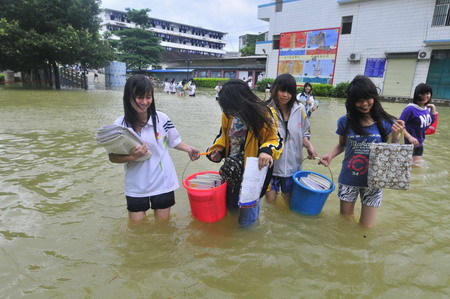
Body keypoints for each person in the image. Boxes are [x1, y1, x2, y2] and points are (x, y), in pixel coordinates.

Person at [108, 75, 200, 221]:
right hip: (136, 185)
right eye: (139, 97)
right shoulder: (119, 126)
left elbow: (173, 141)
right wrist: (133, 157)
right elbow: (112, 157)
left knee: (163, 228)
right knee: (137, 230)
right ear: (128, 97)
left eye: (148, 97)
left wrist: (189, 149)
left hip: (162, 182)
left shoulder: (162, 119)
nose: (144, 102)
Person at [319, 75, 404, 228]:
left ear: (374, 97)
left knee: (366, 227)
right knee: (344, 223)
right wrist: (330, 155)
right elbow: (342, 145)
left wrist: (396, 137)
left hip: (374, 181)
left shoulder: (385, 122)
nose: (364, 104)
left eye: (367, 98)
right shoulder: (345, 121)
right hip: (349, 179)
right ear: (351, 102)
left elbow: (392, 156)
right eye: (359, 100)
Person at [207, 79, 283, 227]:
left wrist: (266, 151)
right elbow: (222, 136)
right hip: (232, 171)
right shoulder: (228, 114)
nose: (229, 111)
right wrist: (217, 151)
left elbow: (276, 140)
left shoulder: (265, 113)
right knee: (230, 211)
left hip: (254, 173)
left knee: (247, 221)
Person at [265, 74, 317, 204]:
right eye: (282, 90)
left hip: (293, 166)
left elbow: (304, 132)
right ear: (275, 89)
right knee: (270, 204)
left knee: (289, 203)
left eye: (289, 92)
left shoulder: (300, 109)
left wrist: (309, 145)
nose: (285, 95)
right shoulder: (266, 110)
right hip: (270, 166)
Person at [399, 83, 437, 165]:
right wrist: (410, 137)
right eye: (422, 94)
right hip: (408, 144)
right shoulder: (410, 109)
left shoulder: (426, 108)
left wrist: (433, 108)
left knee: (417, 167)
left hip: (419, 143)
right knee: (406, 168)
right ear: (417, 94)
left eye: (427, 93)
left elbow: (430, 121)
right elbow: (399, 125)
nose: (425, 96)